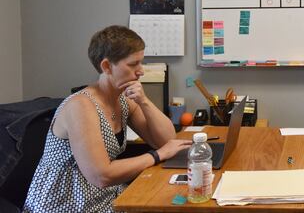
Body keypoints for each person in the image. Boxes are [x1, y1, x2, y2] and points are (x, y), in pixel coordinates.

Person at [23, 25, 192, 212]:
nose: (141, 71)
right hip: (65, 205)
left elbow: (167, 141)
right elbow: (101, 175)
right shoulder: (81, 106)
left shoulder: (123, 99)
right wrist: (156, 155)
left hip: (102, 199)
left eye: (141, 62)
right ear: (106, 66)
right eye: (133, 64)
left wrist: (144, 101)